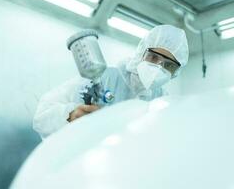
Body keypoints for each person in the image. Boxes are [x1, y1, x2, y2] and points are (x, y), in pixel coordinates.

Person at [33, 25, 189, 139]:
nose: (157, 68)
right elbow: (41, 117)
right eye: (153, 57)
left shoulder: (161, 98)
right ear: (141, 53)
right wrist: (70, 115)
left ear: (176, 72)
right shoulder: (103, 76)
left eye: (168, 65)